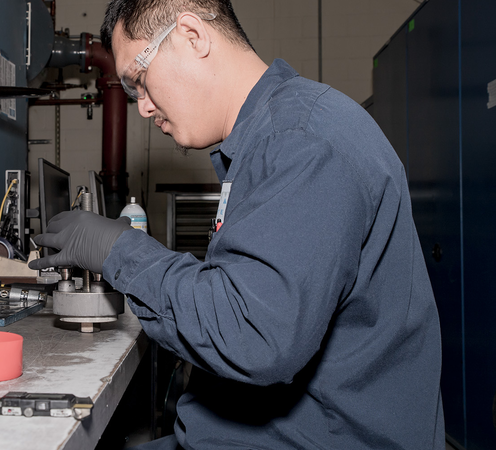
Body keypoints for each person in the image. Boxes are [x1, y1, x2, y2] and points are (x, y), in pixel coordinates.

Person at [29, 0, 445, 448]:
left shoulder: (302, 141)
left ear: (192, 35)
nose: (143, 109)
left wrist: (119, 251)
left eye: (140, 82)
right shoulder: (270, 138)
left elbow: (254, 333)